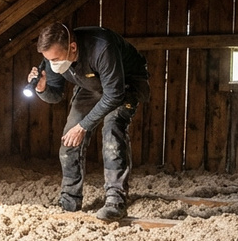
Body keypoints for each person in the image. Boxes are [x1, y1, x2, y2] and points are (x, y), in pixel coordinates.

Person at [28, 22, 148, 221]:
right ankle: (69, 200)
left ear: (72, 47)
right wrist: (42, 89)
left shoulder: (102, 48)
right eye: (48, 60)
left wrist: (83, 126)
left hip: (124, 84)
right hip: (90, 86)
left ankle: (115, 201)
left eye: (56, 59)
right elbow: (55, 96)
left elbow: (113, 95)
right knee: (69, 139)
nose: (52, 64)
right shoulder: (53, 60)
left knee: (111, 132)